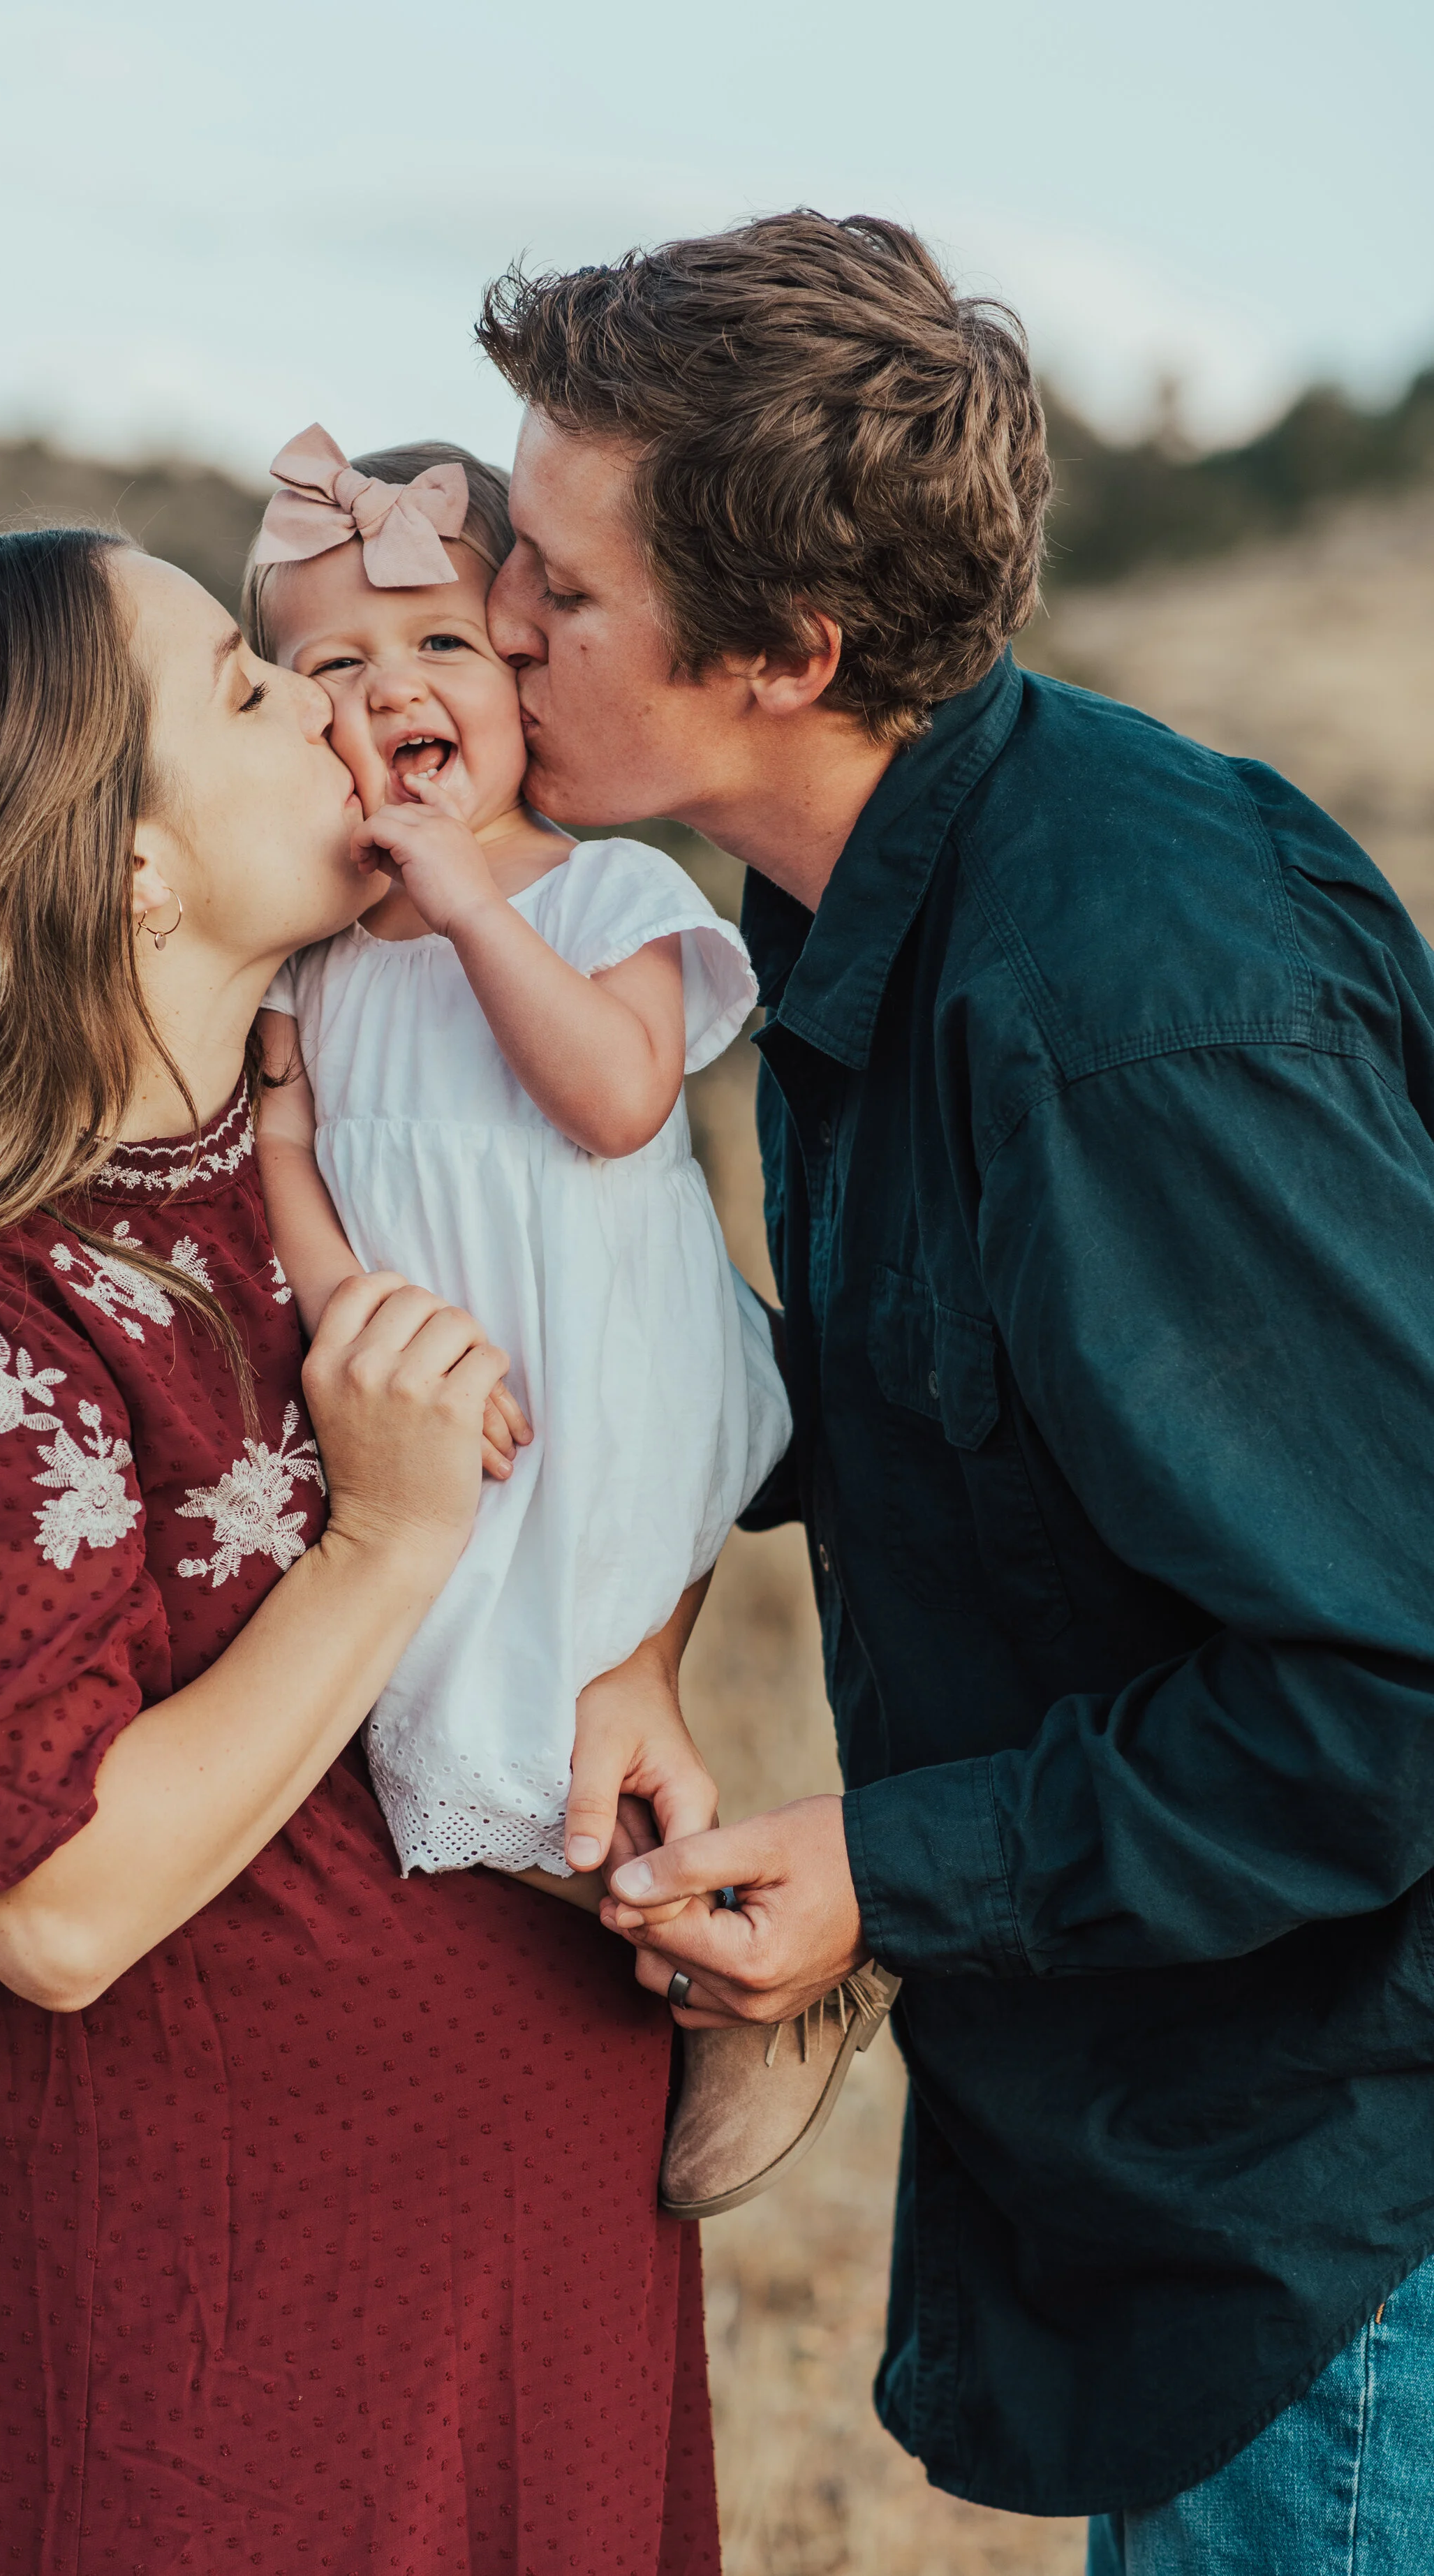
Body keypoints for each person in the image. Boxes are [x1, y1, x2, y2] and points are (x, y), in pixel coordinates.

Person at [474, 208, 1434, 2573]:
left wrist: (885, 1872)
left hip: (1344, 2214)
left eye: (559, 590)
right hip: (1194, 2165)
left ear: (786, 651)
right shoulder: (861, 900)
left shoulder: (1128, 1005)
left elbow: (1389, 1690)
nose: (496, 621)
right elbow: (974, 1405)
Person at [0, 527, 722, 2573]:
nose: (335, 708)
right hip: (171, 2311)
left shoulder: (358, 1157)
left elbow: (657, 1388)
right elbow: (57, 1911)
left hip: (521, 2233)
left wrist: (640, 1663)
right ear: (129, 867)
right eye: (251, 689)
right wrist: (387, 1538)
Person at [243, 422, 790, 1891]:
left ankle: (697, 1934)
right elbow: (281, 1140)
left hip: (600, 1381)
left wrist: (472, 907)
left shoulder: (606, 890)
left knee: (579, 1717)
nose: (392, 688)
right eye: (334, 667)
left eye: (441, 641)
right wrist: (353, 1312)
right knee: (430, 1713)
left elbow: (615, 1102)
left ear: (520, 673)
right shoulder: (315, 953)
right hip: (427, 1381)